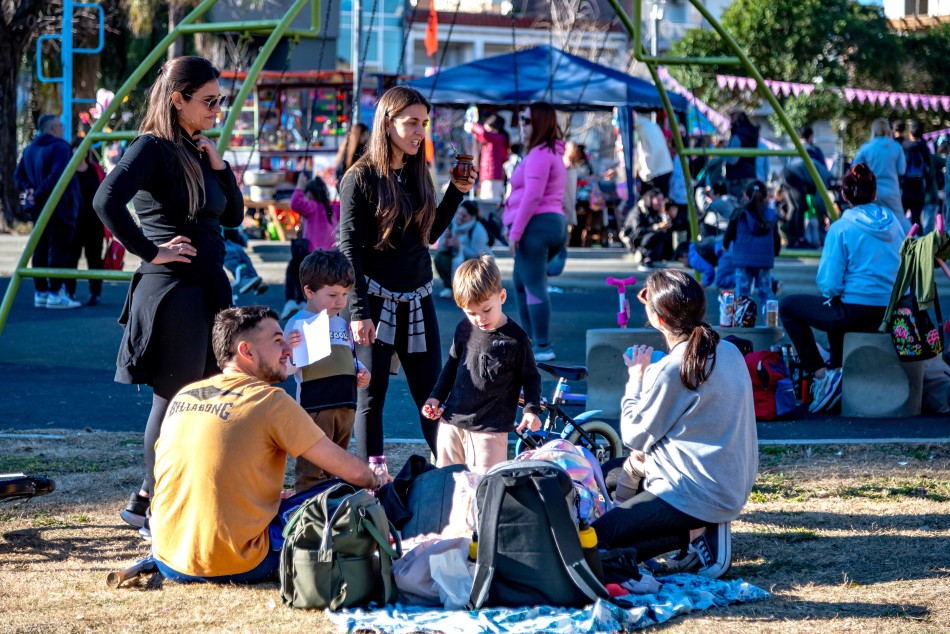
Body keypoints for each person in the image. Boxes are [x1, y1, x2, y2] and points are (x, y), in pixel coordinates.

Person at [93, 56, 245, 528]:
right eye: (208, 101)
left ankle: (151, 499)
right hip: (172, 290)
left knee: (210, 390)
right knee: (175, 396)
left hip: (210, 287)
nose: (217, 109)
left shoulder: (198, 150)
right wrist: (150, 250)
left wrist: (219, 166)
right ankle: (156, 502)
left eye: (220, 100)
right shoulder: (152, 147)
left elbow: (234, 217)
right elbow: (106, 200)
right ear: (177, 99)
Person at [150, 306, 380, 584]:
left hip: (168, 557)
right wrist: (376, 479)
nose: (287, 349)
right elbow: (354, 473)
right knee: (345, 496)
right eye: (277, 341)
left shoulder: (185, 394)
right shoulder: (270, 401)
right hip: (239, 562)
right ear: (246, 351)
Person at [591, 269, 758, 579]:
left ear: (659, 320)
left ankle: (701, 533)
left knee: (593, 540)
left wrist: (636, 379)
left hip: (692, 489)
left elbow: (634, 436)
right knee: (609, 474)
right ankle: (701, 530)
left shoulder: (673, 369)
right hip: (726, 480)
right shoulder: (729, 350)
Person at [338, 86, 475, 458]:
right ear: (387, 123)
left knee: (432, 396)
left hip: (417, 298)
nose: (420, 132)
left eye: (424, 123)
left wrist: (455, 193)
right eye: (411, 122)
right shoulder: (360, 177)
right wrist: (359, 312)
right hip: (375, 301)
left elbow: (427, 234)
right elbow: (347, 246)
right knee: (371, 399)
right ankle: (374, 483)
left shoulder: (417, 172)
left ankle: (452, 476)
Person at [778, 163, 904, 414]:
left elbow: (828, 283)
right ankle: (836, 368)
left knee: (789, 306)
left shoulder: (841, 228)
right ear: (875, 193)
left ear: (844, 195)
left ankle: (821, 375)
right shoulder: (895, 225)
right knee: (836, 306)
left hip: (855, 311)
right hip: (891, 311)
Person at [422, 255, 542, 474]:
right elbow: (451, 365)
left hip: (491, 428)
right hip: (452, 420)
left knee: (484, 485)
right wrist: (436, 396)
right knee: (446, 480)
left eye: (486, 310)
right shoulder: (464, 329)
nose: (479, 318)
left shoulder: (516, 339)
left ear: (502, 296)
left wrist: (531, 410)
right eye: (471, 313)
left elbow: (531, 377)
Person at [284, 250, 371, 491]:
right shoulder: (298, 322)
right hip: (315, 407)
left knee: (337, 464)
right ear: (309, 292)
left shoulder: (343, 324)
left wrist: (361, 372)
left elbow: (348, 356)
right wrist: (289, 349)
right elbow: (287, 369)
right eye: (332, 295)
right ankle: (306, 509)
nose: (341, 301)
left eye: (344, 294)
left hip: (345, 405)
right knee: (311, 469)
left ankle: (331, 505)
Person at [504, 102, 568, 362]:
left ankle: (542, 345)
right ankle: (530, 342)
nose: (522, 124)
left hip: (536, 226)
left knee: (534, 286)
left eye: (527, 120)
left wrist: (515, 233)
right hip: (548, 223)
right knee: (522, 283)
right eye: (521, 119)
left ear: (540, 123)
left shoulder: (540, 155)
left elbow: (532, 196)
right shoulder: (548, 153)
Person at [14, 113, 82, 309]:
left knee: (40, 248)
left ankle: (41, 291)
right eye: (60, 126)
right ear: (53, 129)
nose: (63, 129)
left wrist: (31, 190)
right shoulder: (60, 147)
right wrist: (40, 191)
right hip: (59, 206)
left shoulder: (30, 149)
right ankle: (55, 292)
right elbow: (58, 176)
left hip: (38, 207)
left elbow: (18, 176)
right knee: (58, 249)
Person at [284, 173, 340, 319]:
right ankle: (313, 305)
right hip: (330, 256)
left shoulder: (311, 207)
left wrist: (299, 186)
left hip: (311, 254)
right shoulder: (333, 209)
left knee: (294, 270)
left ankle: (293, 300)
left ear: (309, 194)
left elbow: (295, 203)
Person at [722, 180, 780, 309]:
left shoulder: (739, 213)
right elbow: (776, 237)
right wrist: (775, 252)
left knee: (742, 293)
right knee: (766, 292)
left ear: (746, 196)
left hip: (743, 260)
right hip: (763, 259)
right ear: (766, 197)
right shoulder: (771, 214)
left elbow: (729, 232)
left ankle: (743, 322)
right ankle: (770, 322)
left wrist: (725, 245)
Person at [64, 136, 106, 306]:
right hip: (73, 223)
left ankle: (95, 293)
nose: (79, 151)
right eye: (76, 147)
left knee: (94, 259)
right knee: (71, 259)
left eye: (82, 147)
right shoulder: (67, 171)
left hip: (94, 223)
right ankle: (69, 292)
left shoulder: (95, 169)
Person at [853, 118, 908, 232]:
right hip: (892, 190)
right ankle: (916, 243)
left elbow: (854, 167)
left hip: (871, 190)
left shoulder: (866, 148)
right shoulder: (896, 147)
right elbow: (901, 170)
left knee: (872, 221)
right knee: (900, 220)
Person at [433, 200, 491, 299]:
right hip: (454, 259)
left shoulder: (478, 229)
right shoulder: (451, 224)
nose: (460, 217)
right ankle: (450, 287)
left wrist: (460, 247)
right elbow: (440, 249)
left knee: (469, 264)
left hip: (472, 262)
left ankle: (469, 289)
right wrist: (445, 243)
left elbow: (478, 256)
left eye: (464, 216)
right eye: (459, 213)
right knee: (439, 258)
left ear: (472, 217)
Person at [622, 188, 674, 269]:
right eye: (658, 199)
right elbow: (638, 231)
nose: (661, 202)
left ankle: (650, 258)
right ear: (650, 199)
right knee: (658, 235)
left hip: (649, 240)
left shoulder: (657, 212)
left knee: (662, 237)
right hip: (635, 240)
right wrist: (657, 227)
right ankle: (644, 255)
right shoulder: (638, 211)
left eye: (662, 200)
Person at [470, 114, 510, 201]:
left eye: (487, 127)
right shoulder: (492, 140)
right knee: (485, 203)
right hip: (486, 177)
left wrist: (474, 125)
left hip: (493, 177)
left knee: (490, 203)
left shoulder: (499, 138)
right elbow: (481, 136)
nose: (485, 129)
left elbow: (483, 133)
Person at [901, 120, 932, 228]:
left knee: (901, 218)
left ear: (909, 132)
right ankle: (917, 242)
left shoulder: (904, 146)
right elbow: (929, 167)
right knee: (916, 220)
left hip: (905, 188)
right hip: (919, 188)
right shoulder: (924, 147)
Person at [634, 113, 673, 196]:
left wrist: (644, 172)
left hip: (657, 173)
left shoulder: (644, 128)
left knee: (657, 200)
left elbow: (655, 151)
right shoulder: (648, 126)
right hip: (657, 171)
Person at [222, 226, 268, 298]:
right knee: (231, 252)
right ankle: (243, 278)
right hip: (213, 236)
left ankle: (253, 279)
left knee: (241, 252)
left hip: (224, 233)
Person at [725, 110, 760, 198]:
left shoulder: (738, 135)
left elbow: (733, 160)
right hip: (751, 175)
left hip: (738, 179)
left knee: (738, 207)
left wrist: (722, 153)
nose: (730, 121)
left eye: (732, 117)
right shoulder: (752, 135)